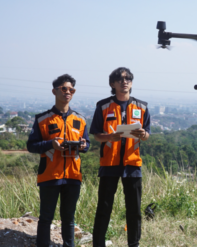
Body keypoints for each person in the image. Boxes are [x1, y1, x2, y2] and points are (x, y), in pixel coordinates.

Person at [27, 74, 89, 247]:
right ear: (54, 91)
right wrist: (51, 144)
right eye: (64, 88)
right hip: (49, 174)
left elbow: (87, 144)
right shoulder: (42, 119)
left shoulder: (80, 119)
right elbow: (32, 145)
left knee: (69, 218)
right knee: (46, 217)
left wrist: (84, 145)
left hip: (73, 175)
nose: (67, 92)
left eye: (71, 89)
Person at [90, 67, 151, 247]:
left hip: (132, 164)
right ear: (112, 84)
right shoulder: (102, 106)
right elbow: (96, 135)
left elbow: (147, 135)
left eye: (128, 78)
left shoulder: (142, 106)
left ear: (131, 82)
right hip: (109, 163)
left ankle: (134, 244)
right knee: (104, 208)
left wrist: (142, 135)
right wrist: (109, 137)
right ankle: (98, 244)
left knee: (134, 210)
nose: (125, 81)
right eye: (120, 79)